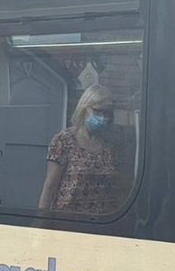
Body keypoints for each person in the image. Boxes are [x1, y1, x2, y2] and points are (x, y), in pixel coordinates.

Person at [39, 84, 119, 215]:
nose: (103, 117)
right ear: (84, 108)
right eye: (98, 111)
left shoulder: (109, 146)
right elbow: (50, 185)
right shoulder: (64, 141)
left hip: (103, 223)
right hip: (69, 223)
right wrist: (40, 221)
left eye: (107, 113)